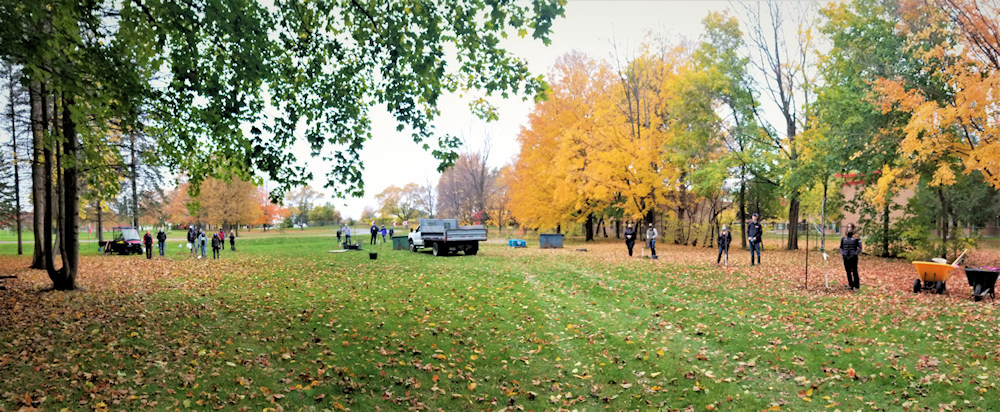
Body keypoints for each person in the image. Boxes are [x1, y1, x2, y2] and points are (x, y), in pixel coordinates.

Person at [840, 223, 862, 292]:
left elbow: (860, 247)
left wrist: (855, 254)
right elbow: (841, 247)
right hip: (846, 257)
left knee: (854, 272)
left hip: (853, 258)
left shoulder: (856, 237)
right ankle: (850, 285)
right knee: (848, 272)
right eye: (848, 227)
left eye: (850, 227)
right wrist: (843, 253)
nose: (849, 228)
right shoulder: (844, 237)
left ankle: (856, 286)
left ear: (853, 228)